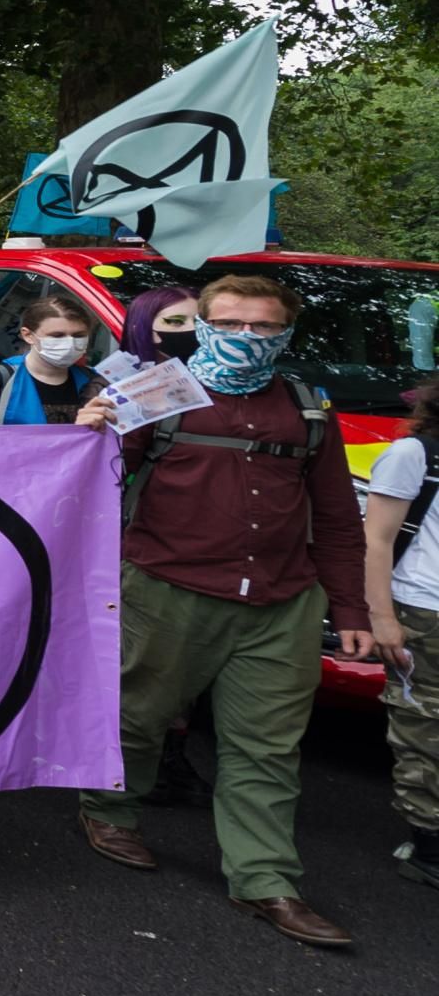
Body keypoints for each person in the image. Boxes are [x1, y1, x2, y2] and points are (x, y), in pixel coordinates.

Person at [77, 273, 375, 948]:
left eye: (264, 327)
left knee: (267, 748)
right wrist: (89, 427)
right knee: (138, 713)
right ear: (202, 323)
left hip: (281, 602)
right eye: (232, 323)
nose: (247, 338)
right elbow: (89, 481)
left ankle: (266, 879)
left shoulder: (307, 407)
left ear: (287, 333)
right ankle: (110, 808)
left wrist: (351, 610)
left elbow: (334, 518)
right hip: (166, 588)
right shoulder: (154, 392)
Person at [362, 376, 439, 888]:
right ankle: (428, 845)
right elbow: (376, 540)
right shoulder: (415, 453)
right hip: (425, 610)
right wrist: (382, 616)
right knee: (425, 730)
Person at [0, 293, 104, 425]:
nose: (70, 343)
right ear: (28, 335)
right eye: (57, 335)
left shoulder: (93, 381)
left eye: (78, 336)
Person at [121, 285, 200, 368]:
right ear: (140, 330)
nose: (194, 328)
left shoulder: (209, 372)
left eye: (200, 321)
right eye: (176, 321)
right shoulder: (116, 377)